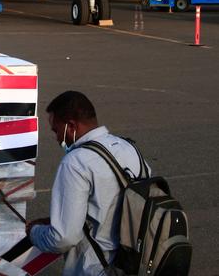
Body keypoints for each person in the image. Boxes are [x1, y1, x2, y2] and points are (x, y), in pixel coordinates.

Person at [28, 91, 150, 276]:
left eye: (56, 130)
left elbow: (63, 238)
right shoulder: (128, 148)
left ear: (71, 126)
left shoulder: (75, 163)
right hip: (135, 263)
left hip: (97, 268)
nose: (57, 138)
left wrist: (34, 232)